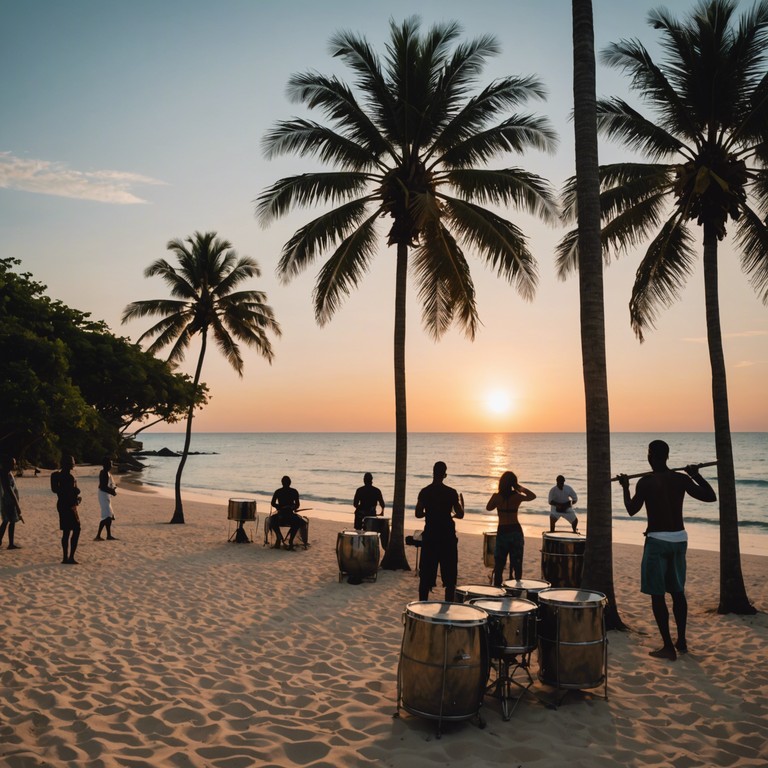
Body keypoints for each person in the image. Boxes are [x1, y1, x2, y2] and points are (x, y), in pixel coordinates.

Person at [618, 440, 716, 661]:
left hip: (657, 541)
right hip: (680, 540)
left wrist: (625, 487)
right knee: (678, 591)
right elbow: (710, 496)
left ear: (650, 456)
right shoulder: (681, 479)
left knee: (658, 594)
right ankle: (681, 640)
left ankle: (668, 647)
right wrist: (696, 475)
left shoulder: (645, 482)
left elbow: (632, 510)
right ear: (668, 456)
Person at [415, 461, 464, 602]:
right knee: (450, 578)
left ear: (433, 473)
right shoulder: (451, 493)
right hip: (447, 537)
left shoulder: (425, 491)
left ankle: (422, 604)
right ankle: (448, 606)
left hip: (430, 536)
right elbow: (460, 514)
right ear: (445, 475)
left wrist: (429, 513)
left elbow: (418, 513)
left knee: (425, 576)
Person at [486, 471, 536, 586]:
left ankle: (497, 587)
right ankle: (516, 587)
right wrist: (520, 488)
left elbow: (488, 508)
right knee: (517, 563)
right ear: (513, 483)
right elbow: (532, 496)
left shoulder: (496, 497)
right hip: (515, 532)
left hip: (502, 531)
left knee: (499, 564)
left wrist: (498, 502)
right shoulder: (517, 496)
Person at [50, 454, 82, 564]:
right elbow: (71, 493)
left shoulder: (56, 476)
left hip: (61, 504)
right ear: (70, 465)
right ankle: (71, 557)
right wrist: (77, 498)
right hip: (70, 505)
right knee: (77, 529)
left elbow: (56, 490)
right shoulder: (70, 477)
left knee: (66, 531)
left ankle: (65, 557)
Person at [269, 476, 307, 550]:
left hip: (281, 516)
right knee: (298, 521)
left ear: (282, 483)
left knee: (271, 520)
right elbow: (297, 505)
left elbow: (273, 503)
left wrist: (279, 507)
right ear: (290, 483)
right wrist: (293, 508)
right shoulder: (294, 491)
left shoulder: (278, 491)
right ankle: (290, 540)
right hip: (289, 516)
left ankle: (279, 537)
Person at [0, 456, 22, 550]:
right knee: (11, 521)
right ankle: (11, 544)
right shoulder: (5, 474)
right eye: (13, 463)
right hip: (9, 501)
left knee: (5, 521)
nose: (14, 465)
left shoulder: (6, 473)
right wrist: (17, 504)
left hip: (7, 500)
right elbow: (9, 489)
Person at [95, 456, 118, 541]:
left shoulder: (106, 472)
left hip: (105, 495)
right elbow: (102, 486)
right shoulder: (104, 473)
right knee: (107, 517)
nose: (111, 465)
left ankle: (108, 535)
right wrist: (112, 491)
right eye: (110, 464)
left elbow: (106, 485)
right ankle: (98, 536)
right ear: (106, 465)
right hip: (103, 495)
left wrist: (112, 489)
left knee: (109, 516)